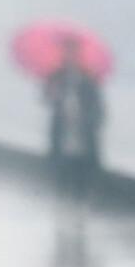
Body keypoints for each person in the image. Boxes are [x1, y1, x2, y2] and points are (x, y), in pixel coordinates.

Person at [44, 37, 105, 200]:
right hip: (62, 139)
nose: (69, 55)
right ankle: (63, 217)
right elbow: (47, 98)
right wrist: (53, 96)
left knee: (81, 183)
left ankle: (78, 217)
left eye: (72, 51)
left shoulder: (88, 80)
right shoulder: (56, 77)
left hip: (83, 140)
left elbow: (99, 112)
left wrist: (83, 118)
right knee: (62, 182)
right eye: (66, 51)